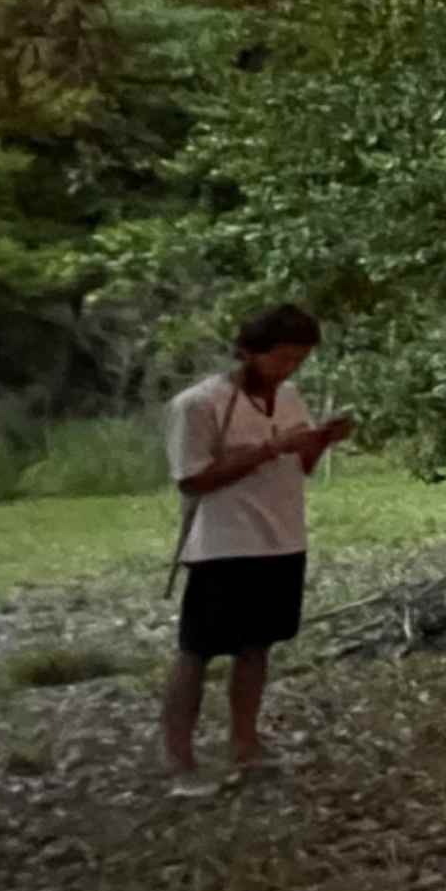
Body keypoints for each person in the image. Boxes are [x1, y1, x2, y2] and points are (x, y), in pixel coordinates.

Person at [162, 303, 353, 797]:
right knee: (197, 652)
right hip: (223, 544)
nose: (290, 369)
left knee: (257, 647)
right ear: (249, 350)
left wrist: (322, 440)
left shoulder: (288, 396)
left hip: (282, 537)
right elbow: (192, 478)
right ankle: (180, 760)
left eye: (299, 360)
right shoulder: (199, 404)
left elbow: (299, 464)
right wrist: (268, 450)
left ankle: (245, 744)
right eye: (282, 358)